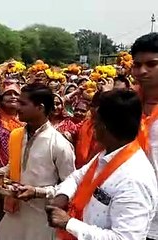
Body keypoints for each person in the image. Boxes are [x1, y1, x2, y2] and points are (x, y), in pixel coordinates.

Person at [48, 90, 158, 239]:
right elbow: (77, 177)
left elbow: (125, 238)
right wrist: (63, 195)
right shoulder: (107, 155)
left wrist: (69, 223)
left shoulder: (133, 178)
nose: (92, 127)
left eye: (95, 121)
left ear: (103, 126)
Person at [0, 83, 75, 240]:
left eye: (23, 103)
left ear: (40, 107)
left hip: (41, 219)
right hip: (13, 214)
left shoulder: (59, 143)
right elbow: (16, 166)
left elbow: (70, 186)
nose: (17, 106)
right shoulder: (17, 135)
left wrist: (38, 192)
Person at [131, 32, 158, 240]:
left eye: (152, 64)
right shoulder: (125, 105)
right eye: (137, 64)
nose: (142, 71)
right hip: (129, 208)